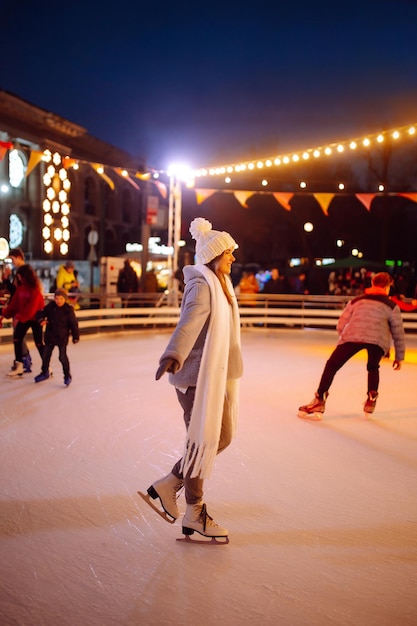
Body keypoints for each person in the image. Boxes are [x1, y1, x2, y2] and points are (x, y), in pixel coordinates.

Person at [140, 217, 243, 542]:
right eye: (228, 252)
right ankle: (194, 510)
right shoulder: (202, 283)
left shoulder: (221, 283)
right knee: (205, 441)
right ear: (214, 254)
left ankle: (171, 485)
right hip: (198, 376)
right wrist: (173, 354)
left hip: (212, 376)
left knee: (216, 438)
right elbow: (190, 320)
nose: (233, 258)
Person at [298, 272, 405, 419]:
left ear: (372, 284)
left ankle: (319, 399)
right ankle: (371, 397)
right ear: (387, 287)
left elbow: (342, 323)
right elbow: (398, 332)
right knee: (373, 367)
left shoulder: (356, 301)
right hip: (378, 339)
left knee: (332, 365)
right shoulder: (392, 306)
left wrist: (344, 338)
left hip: (353, 335)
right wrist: (399, 357)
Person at [0, 264, 45, 377]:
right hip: (24, 317)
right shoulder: (20, 289)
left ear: (24, 276)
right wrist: (4, 315)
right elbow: (14, 306)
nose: (18, 278)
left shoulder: (35, 290)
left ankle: (46, 365)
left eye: (20, 276)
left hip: (36, 318)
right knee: (17, 339)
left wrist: (19, 318)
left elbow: (32, 308)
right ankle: (19, 365)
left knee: (39, 342)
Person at [34, 288, 80, 386]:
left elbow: (74, 324)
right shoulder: (50, 307)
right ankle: (44, 372)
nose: (58, 301)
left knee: (62, 357)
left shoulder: (68, 310)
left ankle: (67, 375)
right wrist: (41, 320)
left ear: (65, 299)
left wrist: (76, 336)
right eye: (57, 298)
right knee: (46, 356)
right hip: (50, 336)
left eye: (61, 299)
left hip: (62, 338)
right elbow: (40, 313)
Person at [1, 248, 33, 372]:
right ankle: (24, 359)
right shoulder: (19, 271)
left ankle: (24, 360)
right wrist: (6, 281)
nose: (12, 262)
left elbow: (21, 292)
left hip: (21, 307)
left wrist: (6, 280)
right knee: (19, 334)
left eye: (13, 259)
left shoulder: (24, 271)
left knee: (19, 334)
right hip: (19, 307)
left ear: (19, 257)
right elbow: (16, 291)